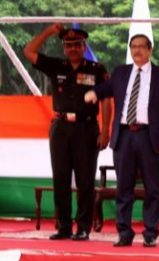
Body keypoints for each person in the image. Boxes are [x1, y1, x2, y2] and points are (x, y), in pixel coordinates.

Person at [84, 34, 159, 248]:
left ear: (150, 50)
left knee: (153, 188)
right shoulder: (121, 72)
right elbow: (105, 88)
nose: (137, 51)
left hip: (149, 136)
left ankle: (150, 233)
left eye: (141, 47)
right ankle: (124, 232)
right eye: (133, 47)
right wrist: (94, 93)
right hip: (124, 135)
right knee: (123, 188)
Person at [23, 24, 112, 241]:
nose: (73, 48)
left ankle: (83, 227)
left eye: (77, 45)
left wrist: (106, 129)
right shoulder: (56, 66)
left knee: (85, 180)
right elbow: (29, 52)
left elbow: (106, 100)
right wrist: (48, 31)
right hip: (60, 128)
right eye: (68, 45)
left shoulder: (96, 69)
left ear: (84, 47)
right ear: (64, 48)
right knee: (60, 178)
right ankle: (63, 227)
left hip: (87, 128)